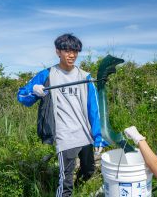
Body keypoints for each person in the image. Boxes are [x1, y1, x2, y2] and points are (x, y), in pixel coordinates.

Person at [17, 33, 108, 197]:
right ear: (58, 51)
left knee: (88, 171)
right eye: (67, 51)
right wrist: (34, 90)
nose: (71, 55)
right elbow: (22, 97)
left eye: (75, 51)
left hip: (85, 133)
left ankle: (79, 187)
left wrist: (98, 135)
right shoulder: (48, 75)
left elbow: (94, 109)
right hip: (65, 135)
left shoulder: (85, 77)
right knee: (65, 183)